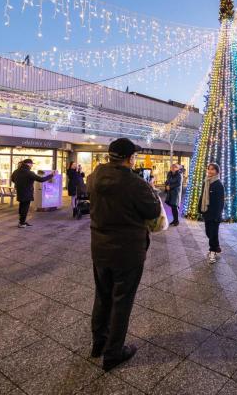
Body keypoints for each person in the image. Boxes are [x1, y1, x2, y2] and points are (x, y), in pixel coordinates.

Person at [88, 138, 161, 371]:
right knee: (122, 301)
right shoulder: (134, 183)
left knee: (102, 296)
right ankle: (113, 352)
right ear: (130, 158)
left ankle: (98, 343)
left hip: (100, 247)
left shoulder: (94, 176)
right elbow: (152, 210)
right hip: (127, 251)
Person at [10, 159, 55, 228]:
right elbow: (41, 179)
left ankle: (22, 221)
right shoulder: (29, 172)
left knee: (21, 206)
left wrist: (19, 184)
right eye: (31, 164)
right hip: (27, 192)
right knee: (25, 208)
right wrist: (51, 175)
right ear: (28, 164)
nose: (32, 165)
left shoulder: (16, 171)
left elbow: (12, 179)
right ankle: (22, 223)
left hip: (20, 191)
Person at [199, 162, 225, 264]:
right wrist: (200, 209)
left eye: (212, 169)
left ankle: (212, 252)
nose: (210, 171)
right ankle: (217, 247)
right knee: (208, 232)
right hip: (206, 212)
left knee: (213, 234)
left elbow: (221, 202)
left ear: (217, 172)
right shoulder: (206, 182)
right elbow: (202, 197)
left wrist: (217, 215)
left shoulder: (218, 184)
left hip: (214, 214)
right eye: (209, 169)